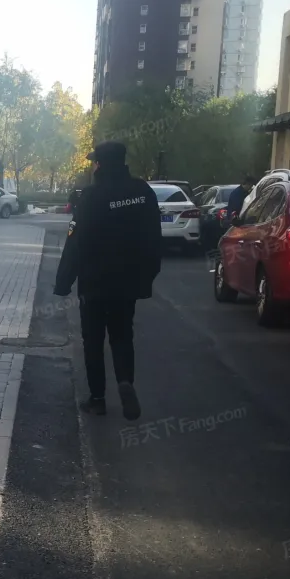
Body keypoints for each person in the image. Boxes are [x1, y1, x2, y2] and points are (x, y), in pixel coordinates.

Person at [54, 141, 163, 421]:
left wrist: (63, 282)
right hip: (127, 282)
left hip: (94, 282)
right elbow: (154, 237)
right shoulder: (142, 192)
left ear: (100, 164)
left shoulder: (91, 196)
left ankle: (97, 399)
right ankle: (125, 381)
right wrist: (148, 274)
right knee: (122, 334)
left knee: (93, 339)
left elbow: (75, 241)